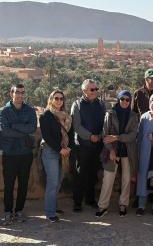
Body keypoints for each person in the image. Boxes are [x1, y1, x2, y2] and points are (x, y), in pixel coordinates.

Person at [0, 84, 37, 225]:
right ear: (11, 93)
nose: (20, 95)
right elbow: (5, 131)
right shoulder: (3, 111)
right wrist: (23, 129)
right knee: (8, 184)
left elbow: (32, 128)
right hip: (10, 153)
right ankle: (8, 212)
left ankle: (19, 211)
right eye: (17, 92)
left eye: (22, 92)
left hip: (25, 153)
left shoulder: (30, 110)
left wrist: (14, 125)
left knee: (23, 184)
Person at [96, 90, 139, 218]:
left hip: (128, 151)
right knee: (108, 180)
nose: (125, 102)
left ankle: (123, 204)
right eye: (122, 99)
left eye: (127, 100)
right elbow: (105, 135)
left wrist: (117, 137)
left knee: (126, 180)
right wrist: (111, 150)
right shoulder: (110, 114)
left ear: (130, 101)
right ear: (118, 100)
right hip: (112, 151)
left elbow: (132, 136)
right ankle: (103, 206)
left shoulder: (133, 116)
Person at [70, 79, 106, 212]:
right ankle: (77, 202)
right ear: (84, 91)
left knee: (93, 173)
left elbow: (105, 123)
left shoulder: (101, 104)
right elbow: (77, 126)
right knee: (80, 174)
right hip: (82, 145)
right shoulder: (77, 105)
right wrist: (90, 136)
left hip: (97, 145)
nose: (95, 91)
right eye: (92, 89)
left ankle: (90, 200)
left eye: (96, 89)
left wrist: (100, 136)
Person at [39, 90, 72, 223]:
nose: (59, 101)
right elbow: (47, 136)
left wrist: (66, 149)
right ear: (51, 99)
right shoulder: (45, 116)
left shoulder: (66, 116)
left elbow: (69, 134)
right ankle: (50, 212)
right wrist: (60, 149)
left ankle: (53, 206)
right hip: (50, 151)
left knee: (58, 181)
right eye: (56, 98)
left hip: (63, 152)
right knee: (52, 182)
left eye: (61, 99)